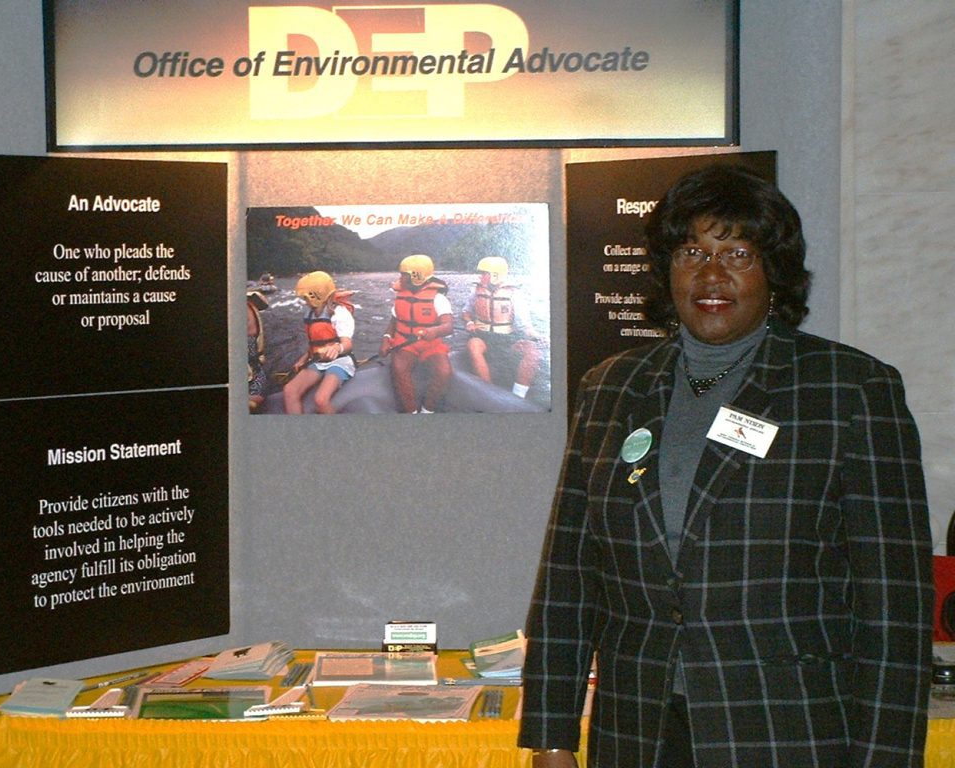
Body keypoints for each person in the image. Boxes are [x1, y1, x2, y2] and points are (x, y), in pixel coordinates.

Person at [518, 164, 933, 767]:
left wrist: (885, 760)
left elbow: (895, 608)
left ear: (774, 273)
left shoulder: (850, 390)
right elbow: (567, 582)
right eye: (691, 251)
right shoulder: (611, 388)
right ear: (667, 269)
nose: (711, 274)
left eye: (737, 252)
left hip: (791, 734)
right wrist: (551, 736)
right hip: (638, 734)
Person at [379, 254, 454, 413]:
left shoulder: (438, 298)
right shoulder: (400, 297)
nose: (400, 278)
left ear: (416, 276)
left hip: (431, 345)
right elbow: (393, 323)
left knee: (444, 372)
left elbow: (448, 326)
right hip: (405, 344)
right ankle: (412, 412)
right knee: (398, 368)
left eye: (403, 275)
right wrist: (386, 339)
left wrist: (434, 331)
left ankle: (427, 411)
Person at [462, 256, 542, 399]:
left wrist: (536, 336)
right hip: (483, 336)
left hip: (507, 338)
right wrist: (469, 322)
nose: (480, 276)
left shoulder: (514, 294)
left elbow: (524, 325)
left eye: (483, 273)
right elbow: (466, 312)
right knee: (473, 345)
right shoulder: (476, 290)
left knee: (533, 352)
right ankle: (490, 393)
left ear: (494, 275)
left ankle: (518, 397)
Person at [282, 270, 355, 415]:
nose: (304, 300)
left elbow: (347, 344)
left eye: (305, 297)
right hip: (318, 361)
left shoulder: (339, 313)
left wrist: (337, 347)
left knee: (321, 399)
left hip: (339, 361)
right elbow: (314, 344)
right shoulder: (309, 313)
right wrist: (303, 360)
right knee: (289, 390)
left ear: (317, 295)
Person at [246, 290, 270, 413]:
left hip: (250, 356)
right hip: (256, 358)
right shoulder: (250, 304)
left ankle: (252, 400)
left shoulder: (242, 309)